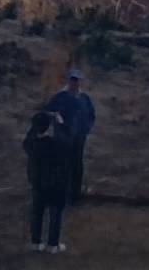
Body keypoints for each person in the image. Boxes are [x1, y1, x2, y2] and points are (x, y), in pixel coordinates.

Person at [24, 110, 73, 253]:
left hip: (38, 184)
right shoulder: (56, 144)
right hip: (56, 184)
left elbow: (29, 137)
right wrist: (60, 123)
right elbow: (67, 141)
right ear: (48, 126)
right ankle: (53, 244)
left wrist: (36, 123)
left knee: (37, 213)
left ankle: (36, 242)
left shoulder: (31, 144)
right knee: (56, 213)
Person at [46, 68, 96, 204]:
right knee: (62, 166)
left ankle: (75, 195)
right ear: (69, 81)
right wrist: (56, 117)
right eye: (73, 80)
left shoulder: (84, 98)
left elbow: (91, 116)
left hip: (79, 139)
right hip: (63, 138)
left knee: (77, 165)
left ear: (80, 82)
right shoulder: (60, 96)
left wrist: (86, 129)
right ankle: (59, 195)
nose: (75, 82)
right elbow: (48, 111)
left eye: (77, 80)